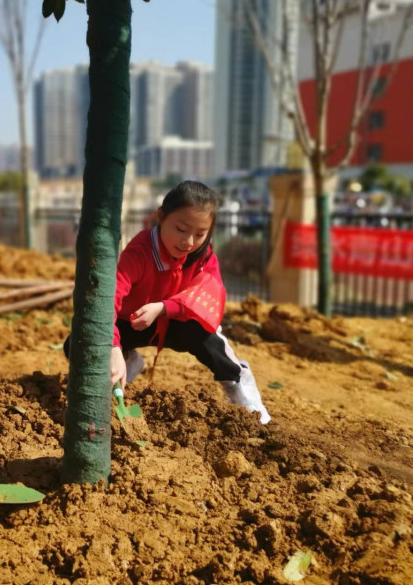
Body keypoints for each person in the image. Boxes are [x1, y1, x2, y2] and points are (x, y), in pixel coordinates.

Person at [64, 181, 271, 424]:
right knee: (77, 343)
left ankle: (244, 399)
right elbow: (109, 298)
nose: (188, 241)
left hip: (176, 322)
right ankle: (128, 361)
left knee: (212, 343)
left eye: (200, 234)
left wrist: (164, 308)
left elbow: (209, 295)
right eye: (181, 229)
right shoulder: (139, 252)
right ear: (161, 216)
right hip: (133, 322)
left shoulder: (203, 255)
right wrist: (113, 347)